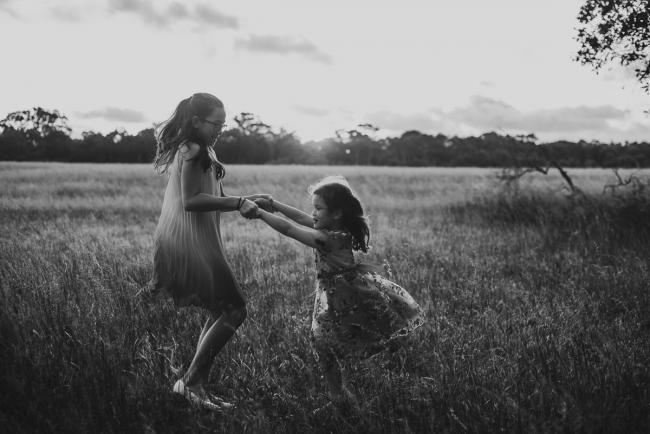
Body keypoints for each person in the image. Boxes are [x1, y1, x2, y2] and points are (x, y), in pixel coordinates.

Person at [252, 176, 424, 405]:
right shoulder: (335, 228)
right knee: (325, 341)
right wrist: (273, 204)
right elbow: (301, 218)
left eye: (318, 208)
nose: (313, 213)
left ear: (336, 213)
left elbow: (289, 229)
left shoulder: (329, 238)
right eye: (314, 207)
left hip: (343, 294)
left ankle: (339, 395)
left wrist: (260, 213)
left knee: (329, 340)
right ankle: (338, 394)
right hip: (336, 291)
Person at [151, 92, 267, 410]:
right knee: (235, 310)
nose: (221, 129)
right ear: (196, 121)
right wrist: (237, 203)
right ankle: (190, 384)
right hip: (188, 241)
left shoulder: (204, 149)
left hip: (197, 240)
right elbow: (191, 200)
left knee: (222, 310)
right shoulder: (194, 148)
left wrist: (248, 197)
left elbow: (212, 193)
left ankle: (193, 386)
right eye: (217, 123)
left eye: (224, 124)